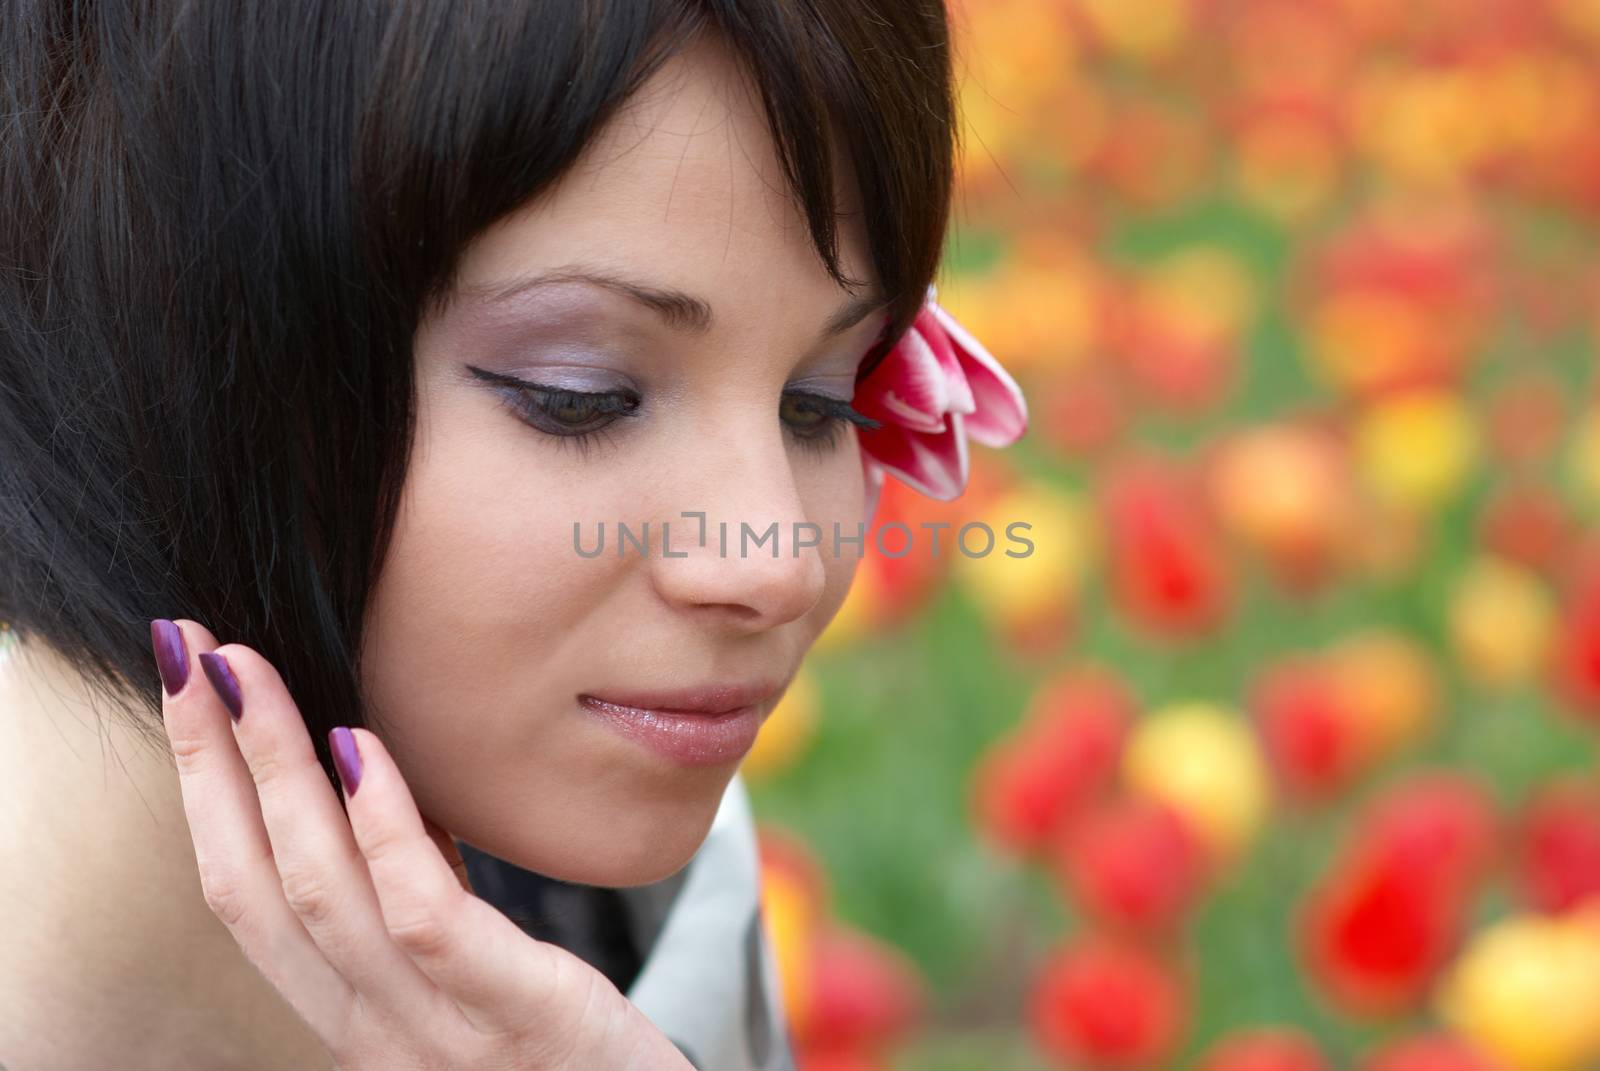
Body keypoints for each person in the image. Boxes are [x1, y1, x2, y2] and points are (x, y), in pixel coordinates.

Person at [0, 1, 1020, 1067]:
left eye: (821, 401)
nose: (777, 562)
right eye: (579, 395)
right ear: (155, 348)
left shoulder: (654, 919)